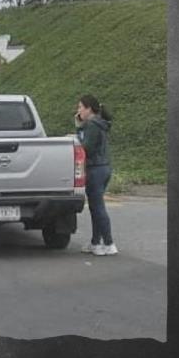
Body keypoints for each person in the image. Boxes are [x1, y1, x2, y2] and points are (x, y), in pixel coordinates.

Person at [75, 94, 118, 256]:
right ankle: (95, 242)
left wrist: (78, 128)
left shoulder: (91, 124)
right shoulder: (100, 123)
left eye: (80, 107)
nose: (78, 110)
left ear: (88, 109)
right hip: (105, 168)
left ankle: (109, 242)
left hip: (95, 169)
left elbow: (86, 147)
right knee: (95, 206)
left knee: (98, 207)